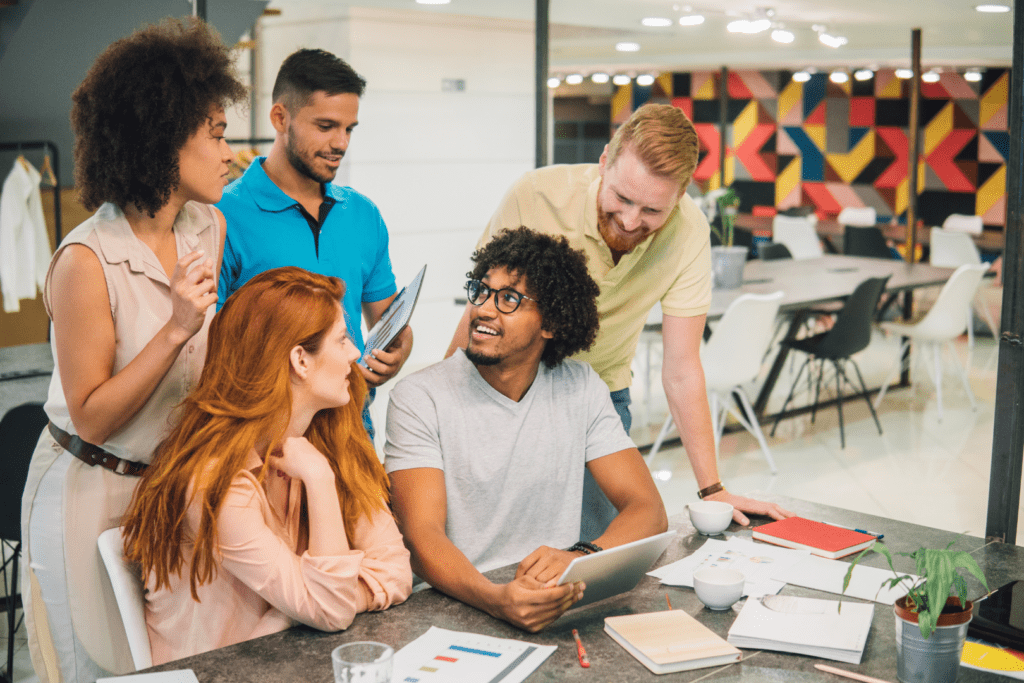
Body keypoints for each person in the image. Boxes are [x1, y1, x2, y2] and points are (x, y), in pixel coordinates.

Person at [19, 19, 246, 682]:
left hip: (165, 487)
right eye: (217, 133)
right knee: (94, 665)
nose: (229, 150)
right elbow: (91, 415)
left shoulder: (209, 223)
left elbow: (201, 367)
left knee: (162, 668)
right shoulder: (85, 261)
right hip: (87, 483)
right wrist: (174, 327)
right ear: (164, 138)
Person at [446, 103, 793, 537]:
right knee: (485, 537)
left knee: (596, 549)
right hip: (503, 390)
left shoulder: (688, 233)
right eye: (622, 198)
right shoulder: (536, 196)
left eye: (652, 211)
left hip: (600, 398)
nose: (631, 221)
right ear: (605, 161)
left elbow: (682, 367)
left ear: (682, 193)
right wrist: (442, 403)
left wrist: (713, 489)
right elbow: (481, 311)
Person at [121, 267, 412, 665]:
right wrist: (319, 480)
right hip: (219, 673)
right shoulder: (212, 480)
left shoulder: (327, 437)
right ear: (300, 361)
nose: (355, 354)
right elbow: (330, 610)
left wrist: (288, 615)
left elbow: (395, 568)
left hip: (289, 662)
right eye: (342, 340)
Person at [386, 227, 668, 633]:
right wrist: (495, 600)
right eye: (481, 292)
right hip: (454, 603)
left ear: (550, 323)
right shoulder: (419, 397)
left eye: (509, 300)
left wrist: (581, 556)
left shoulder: (580, 386)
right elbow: (421, 537)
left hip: (548, 600)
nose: (483, 309)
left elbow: (648, 510)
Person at [217, 48, 412, 431]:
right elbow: (211, 348)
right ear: (280, 118)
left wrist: (399, 349)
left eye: (349, 128)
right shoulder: (223, 216)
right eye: (325, 126)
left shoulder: (362, 214)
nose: (341, 143)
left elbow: (387, 317)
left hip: (353, 431)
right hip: (264, 439)